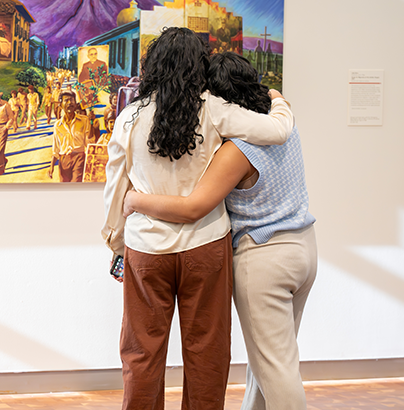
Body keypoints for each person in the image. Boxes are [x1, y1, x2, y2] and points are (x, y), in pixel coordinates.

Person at [101, 28, 295, 410]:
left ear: (153, 66)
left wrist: (116, 243)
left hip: (147, 249)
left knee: (141, 353)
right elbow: (278, 130)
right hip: (206, 246)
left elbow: (116, 190)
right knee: (207, 352)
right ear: (199, 66)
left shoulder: (129, 117)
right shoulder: (215, 109)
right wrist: (276, 97)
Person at [49, 89, 90, 182]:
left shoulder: (84, 120)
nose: (69, 103)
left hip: (79, 158)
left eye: (71, 100)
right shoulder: (58, 125)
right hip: (64, 161)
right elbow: (56, 148)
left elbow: (89, 142)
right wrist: (51, 167)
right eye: (66, 100)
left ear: (75, 103)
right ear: (60, 105)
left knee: (75, 183)